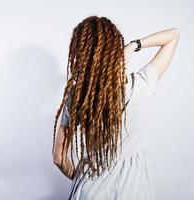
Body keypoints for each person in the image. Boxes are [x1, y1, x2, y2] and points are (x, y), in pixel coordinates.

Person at [52, 15, 180, 199]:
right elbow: (174, 35)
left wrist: (83, 180)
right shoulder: (140, 86)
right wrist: (133, 46)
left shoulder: (78, 98)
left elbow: (58, 158)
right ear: (116, 51)